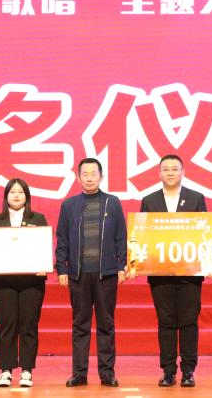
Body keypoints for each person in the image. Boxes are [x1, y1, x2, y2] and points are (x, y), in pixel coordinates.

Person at [55, 157, 127, 388]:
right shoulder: (69, 205)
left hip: (106, 273)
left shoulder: (112, 203)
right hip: (78, 274)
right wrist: (62, 267)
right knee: (80, 324)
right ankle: (79, 373)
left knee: (106, 324)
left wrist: (122, 265)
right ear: (78, 178)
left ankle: (107, 373)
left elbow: (121, 236)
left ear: (101, 177)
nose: (89, 178)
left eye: (93, 174)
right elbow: (62, 239)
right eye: (84, 174)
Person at [137, 154, 207, 388]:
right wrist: (136, 261)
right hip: (159, 273)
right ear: (159, 173)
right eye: (165, 169)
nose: (170, 173)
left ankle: (188, 371)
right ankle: (168, 371)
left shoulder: (196, 198)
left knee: (188, 322)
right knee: (165, 322)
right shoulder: (149, 201)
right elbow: (142, 235)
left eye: (174, 169)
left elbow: (205, 233)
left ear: (183, 172)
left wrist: (208, 260)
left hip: (190, 272)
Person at [0, 178, 49, 388]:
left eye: (20, 192)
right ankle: (5, 370)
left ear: (27, 196)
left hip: (32, 281)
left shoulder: (38, 219)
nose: (16, 196)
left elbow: (44, 247)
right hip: (4, 282)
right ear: (6, 196)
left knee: (29, 324)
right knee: (7, 324)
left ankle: (27, 370)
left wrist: (44, 264)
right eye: (12, 192)